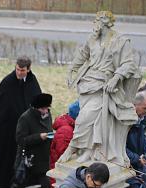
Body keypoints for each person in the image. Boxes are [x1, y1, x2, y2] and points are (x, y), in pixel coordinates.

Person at [59, 11, 141, 166]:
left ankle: (72, 148)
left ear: (106, 22)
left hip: (105, 86)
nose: (94, 24)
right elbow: (82, 55)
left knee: (85, 119)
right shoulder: (92, 39)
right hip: (87, 84)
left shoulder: (120, 41)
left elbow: (129, 63)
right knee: (91, 120)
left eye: (97, 21)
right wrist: (71, 70)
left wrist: (116, 78)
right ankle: (89, 150)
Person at [0, 56, 42, 188]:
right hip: (9, 128)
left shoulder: (32, 81)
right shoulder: (7, 82)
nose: (19, 73)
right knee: (8, 155)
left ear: (28, 69)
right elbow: (1, 108)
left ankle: (29, 183)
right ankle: (5, 184)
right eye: (18, 69)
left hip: (28, 129)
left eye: (23, 70)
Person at [2, 93, 54, 188]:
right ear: (36, 107)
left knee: (46, 184)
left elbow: (48, 129)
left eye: (47, 108)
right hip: (28, 158)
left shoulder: (47, 115)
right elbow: (20, 140)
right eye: (43, 108)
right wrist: (39, 137)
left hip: (42, 157)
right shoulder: (25, 118)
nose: (46, 111)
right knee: (19, 184)